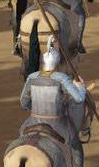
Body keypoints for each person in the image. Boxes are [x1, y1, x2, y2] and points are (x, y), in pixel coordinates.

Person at [18, 37, 88, 165]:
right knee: (76, 147)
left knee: (21, 140)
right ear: (56, 63)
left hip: (32, 122)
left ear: (43, 62)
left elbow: (23, 102)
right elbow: (79, 98)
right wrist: (81, 87)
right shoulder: (61, 78)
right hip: (58, 125)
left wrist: (35, 107)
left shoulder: (32, 77)